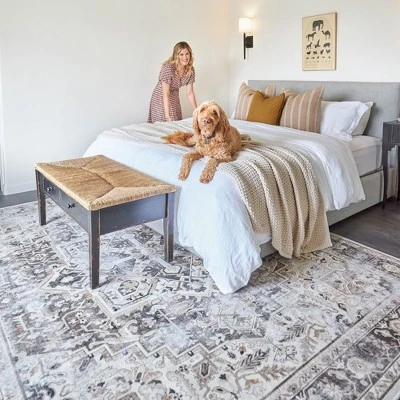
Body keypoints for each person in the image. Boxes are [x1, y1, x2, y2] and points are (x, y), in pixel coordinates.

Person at [148, 42, 197, 123]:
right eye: (181, 54)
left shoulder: (190, 70)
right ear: (176, 55)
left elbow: (190, 93)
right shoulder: (168, 68)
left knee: (175, 122)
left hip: (174, 96)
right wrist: (167, 116)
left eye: (187, 54)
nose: (185, 57)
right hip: (161, 97)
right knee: (163, 123)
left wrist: (197, 111)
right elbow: (166, 93)